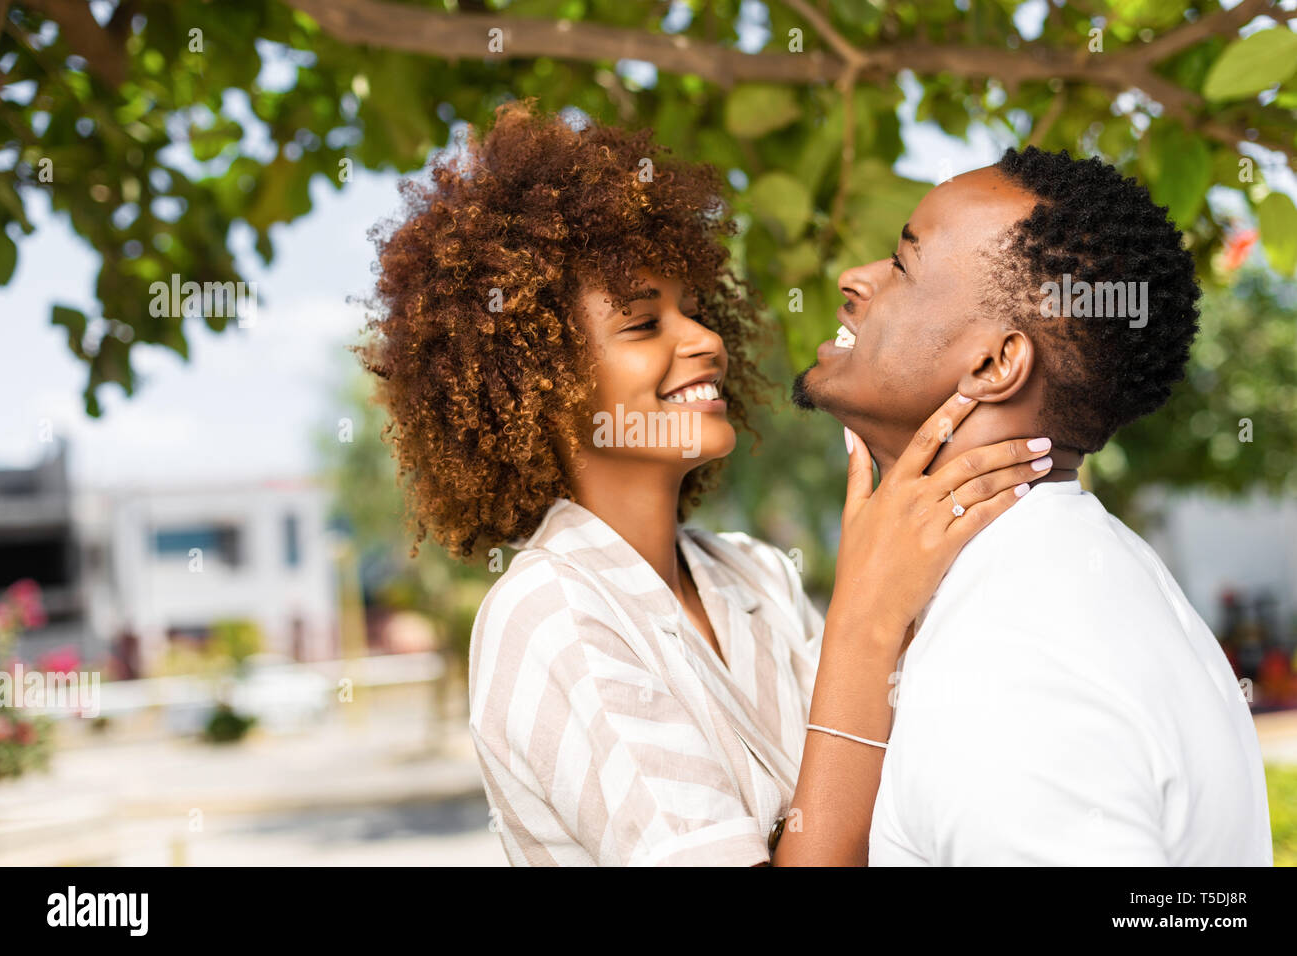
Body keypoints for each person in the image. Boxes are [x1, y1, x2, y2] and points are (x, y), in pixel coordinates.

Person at [352, 100, 1070, 865]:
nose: (703, 341)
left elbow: (901, 804)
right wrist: (864, 617)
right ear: (538, 380)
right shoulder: (550, 616)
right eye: (641, 324)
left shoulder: (752, 572)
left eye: (694, 311)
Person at [793, 146, 1273, 865]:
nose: (853, 279)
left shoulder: (1013, 660)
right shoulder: (1076, 578)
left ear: (992, 365)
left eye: (902, 265)